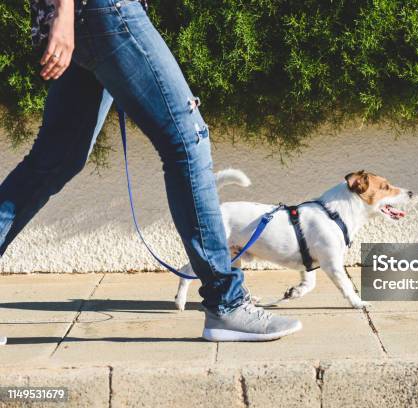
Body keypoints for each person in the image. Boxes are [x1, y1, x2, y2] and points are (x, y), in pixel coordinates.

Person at [0, 0, 302, 342]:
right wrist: (65, 11)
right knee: (188, 142)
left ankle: (226, 302)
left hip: (91, 15)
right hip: (104, 9)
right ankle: (227, 303)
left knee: (55, 160)